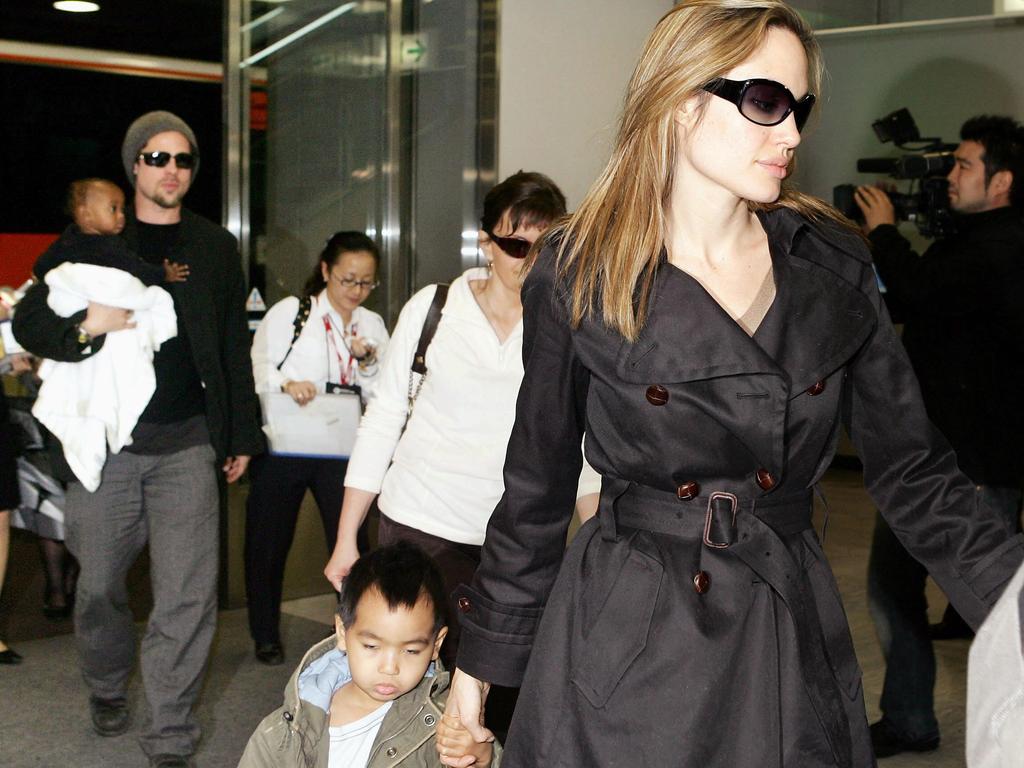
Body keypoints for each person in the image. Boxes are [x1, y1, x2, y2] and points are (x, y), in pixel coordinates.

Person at [436, 4, 1024, 768]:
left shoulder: (831, 265)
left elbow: (915, 473)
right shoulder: (583, 270)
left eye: (799, 107)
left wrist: (1015, 595)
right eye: (766, 102)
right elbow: (537, 489)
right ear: (681, 102)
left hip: (783, 624)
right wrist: (477, 676)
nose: (791, 133)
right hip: (631, 637)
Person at [12, 110, 263, 768]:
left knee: (189, 592)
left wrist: (240, 432)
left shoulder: (213, 245)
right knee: (96, 585)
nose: (170, 170)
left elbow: (234, 344)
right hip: (108, 448)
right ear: (134, 167)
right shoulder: (80, 240)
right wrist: (86, 328)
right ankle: (104, 682)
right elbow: (33, 319)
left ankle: (171, 732)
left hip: (188, 443)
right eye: (156, 158)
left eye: (182, 160)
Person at [323, 172, 599, 672]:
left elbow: (578, 444)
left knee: (504, 686)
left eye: (545, 246)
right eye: (516, 245)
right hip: (422, 525)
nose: (529, 261)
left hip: (517, 540)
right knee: (414, 677)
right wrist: (346, 538)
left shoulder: (568, 325)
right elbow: (383, 420)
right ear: (487, 243)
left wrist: (598, 537)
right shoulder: (435, 308)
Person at [853, 115, 1024, 757]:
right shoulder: (968, 240)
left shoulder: (1004, 246)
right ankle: (909, 718)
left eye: (964, 165)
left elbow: (923, 292)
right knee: (892, 587)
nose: (950, 176)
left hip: (972, 466)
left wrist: (885, 234)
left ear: (1002, 180)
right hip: (926, 460)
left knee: (994, 609)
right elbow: (909, 303)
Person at [247, 230, 389, 666]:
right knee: (268, 543)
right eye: (348, 280)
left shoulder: (372, 324)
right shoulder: (292, 313)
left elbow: (384, 389)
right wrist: (287, 383)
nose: (356, 291)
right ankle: (265, 634)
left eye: (366, 283)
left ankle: (355, 633)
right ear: (325, 270)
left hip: (344, 450)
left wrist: (366, 361)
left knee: (350, 546)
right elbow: (257, 366)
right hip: (287, 446)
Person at [238, 541, 497, 768]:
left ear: (436, 645)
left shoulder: (446, 724)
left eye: (411, 650)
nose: (389, 667)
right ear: (342, 631)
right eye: (372, 647)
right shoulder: (287, 728)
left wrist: (484, 759)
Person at [34, 178, 190, 284]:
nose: (121, 216)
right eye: (113, 209)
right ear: (86, 215)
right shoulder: (109, 246)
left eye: (122, 209)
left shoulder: (68, 238)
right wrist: (164, 273)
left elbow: (42, 266)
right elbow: (137, 270)